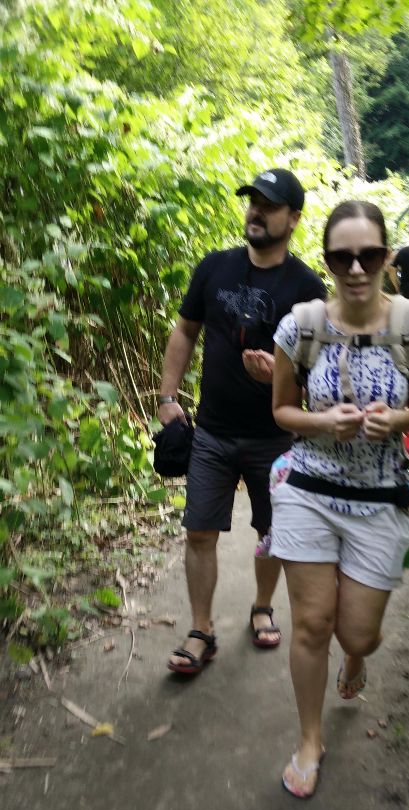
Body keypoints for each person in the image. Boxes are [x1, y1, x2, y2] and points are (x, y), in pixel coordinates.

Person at [270, 200, 409, 798]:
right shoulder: (300, 326)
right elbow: (282, 409)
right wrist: (324, 423)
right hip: (309, 489)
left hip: (381, 495)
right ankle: (309, 740)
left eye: (368, 255)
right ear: (327, 261)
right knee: (311, 624)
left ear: (387, 257)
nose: (355, 268)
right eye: (341, 257)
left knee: (357, 634)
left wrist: (396, 419)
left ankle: (358, 657)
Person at [158, 168, 327, 676]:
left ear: (293, 219)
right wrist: (167, 396)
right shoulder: (215, 267)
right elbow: (185, 331)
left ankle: (262, 606)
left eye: (269, 205)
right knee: (199, 531)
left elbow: (320, 373)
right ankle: (201, 629)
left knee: (271, 531)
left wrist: (280, 375)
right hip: (211, 430)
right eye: (253, 201)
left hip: (276, 437)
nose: (256, 211)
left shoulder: (307, 287)